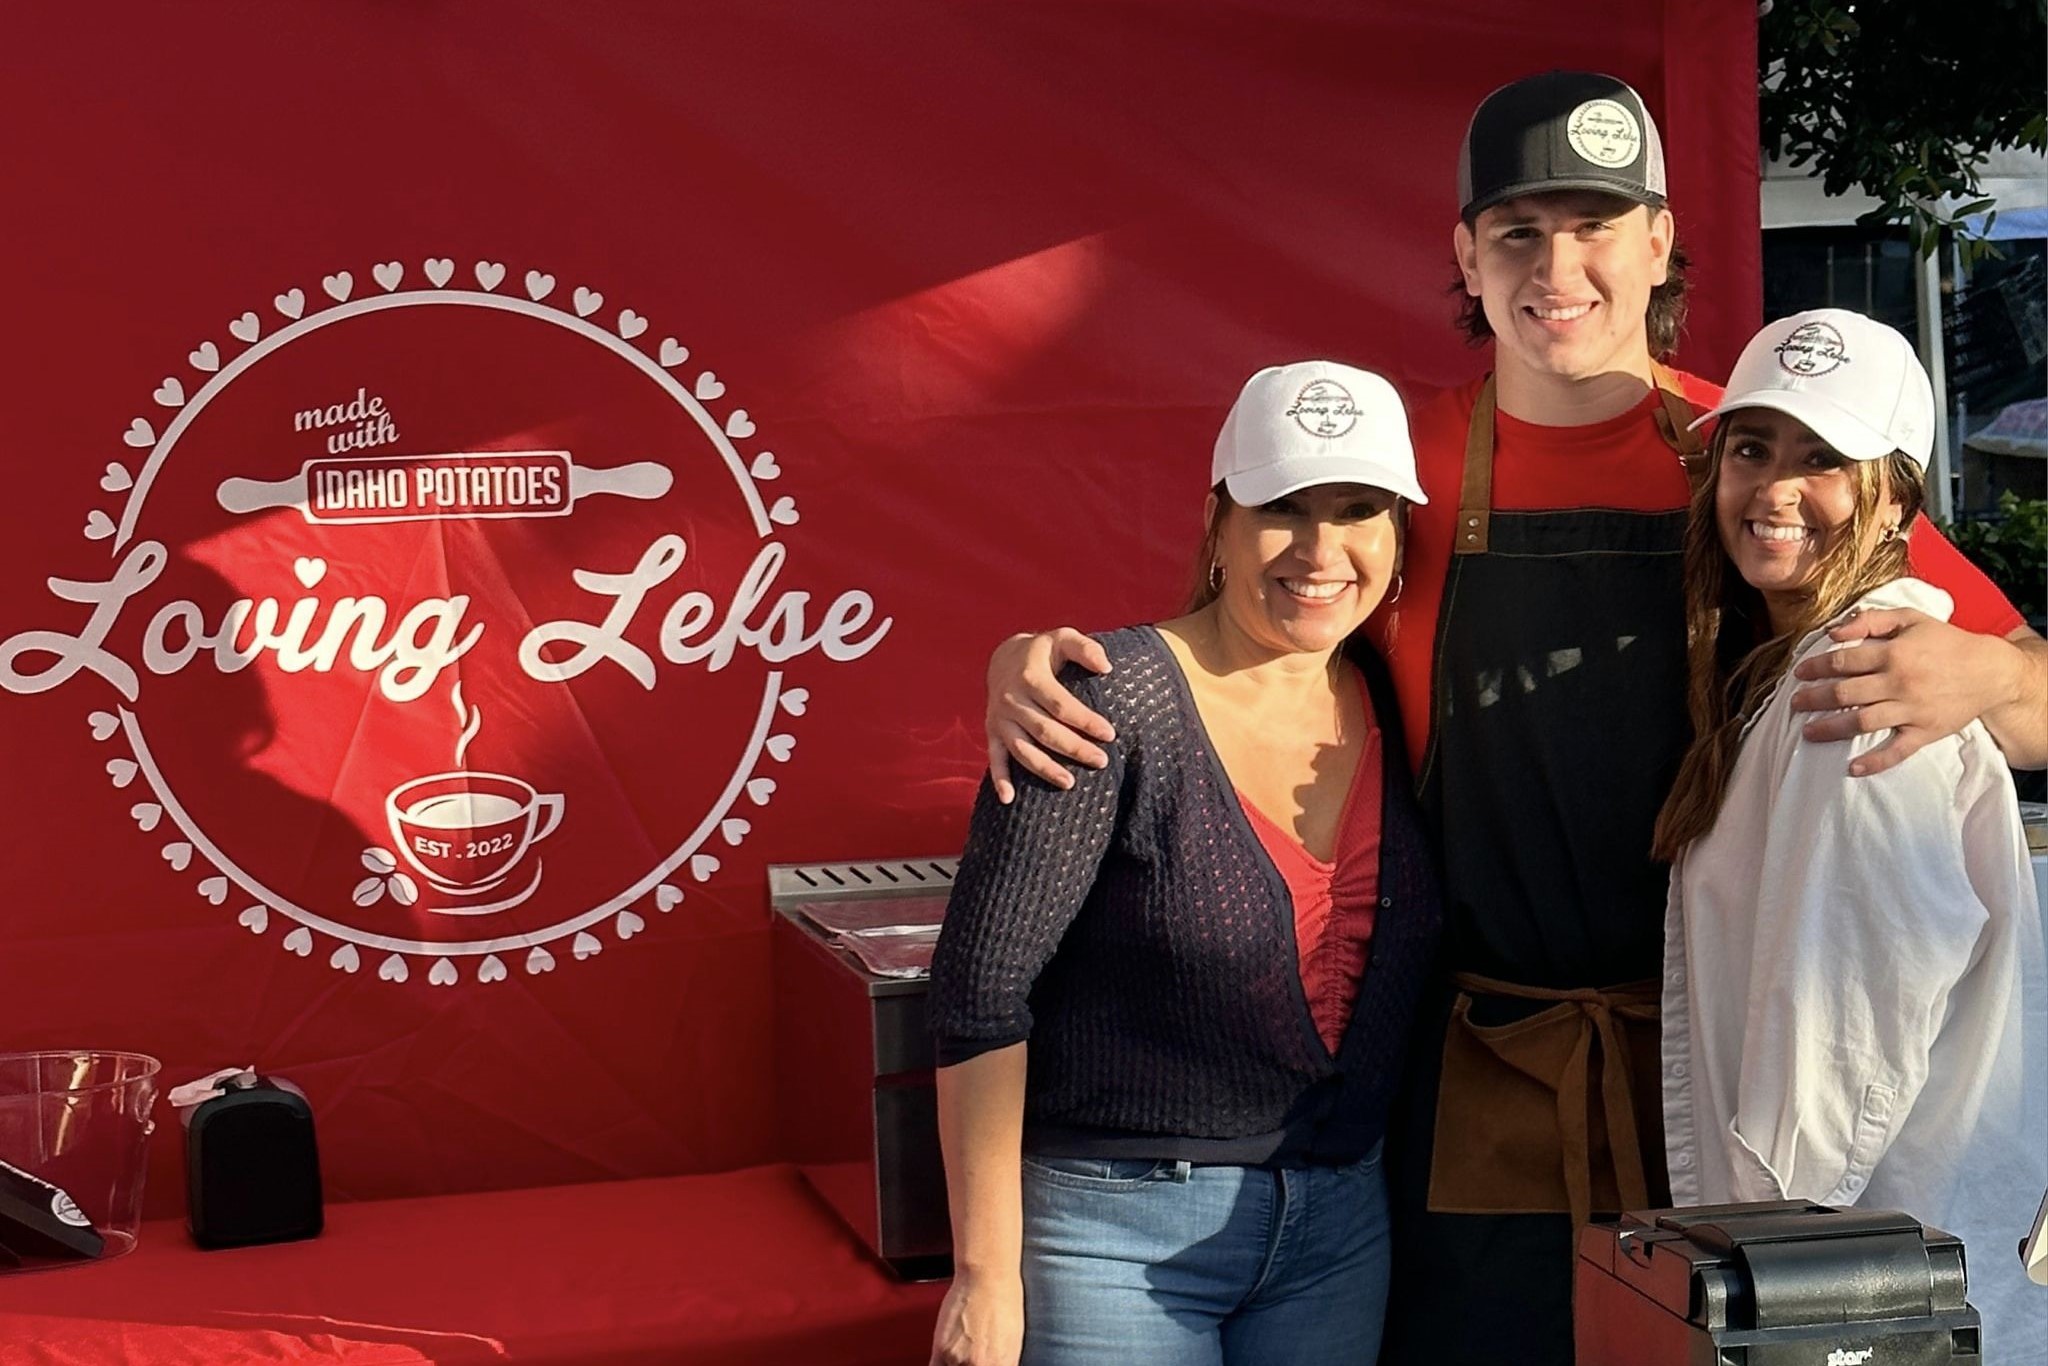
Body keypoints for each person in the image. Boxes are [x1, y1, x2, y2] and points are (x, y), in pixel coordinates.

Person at [974, 72, 2047, 1364]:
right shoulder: (1402, 468)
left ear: (1659, 242)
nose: (1562, 268)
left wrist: (1994, 681)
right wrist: (1038, 662)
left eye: (1598, 227)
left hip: (1713, 1063)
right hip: (1473, 1075)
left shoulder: (1759, 447)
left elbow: (2014, 680)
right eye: (1521, 232)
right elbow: (1245, 636)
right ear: (1466, 258)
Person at [925, 361, 1443, 1366]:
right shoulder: (1109, 703)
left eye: (1357, 510)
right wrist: (985, 1274)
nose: (1320, 548)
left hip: (1339, 1225)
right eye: (1282, 507)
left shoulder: (1398, 694)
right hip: (1111, 1235)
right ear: (1217, 521)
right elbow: (979, 991)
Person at [1653, 309, 2047, 1358]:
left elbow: (1844, 1035)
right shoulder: (1803, 665)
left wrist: (1768, 1264)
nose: (1775, 490)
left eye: (1822, 458)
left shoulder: (1862, 685)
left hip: (1852, 1286)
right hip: (1863, 1267)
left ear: (1894, 501)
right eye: (1751, 450)